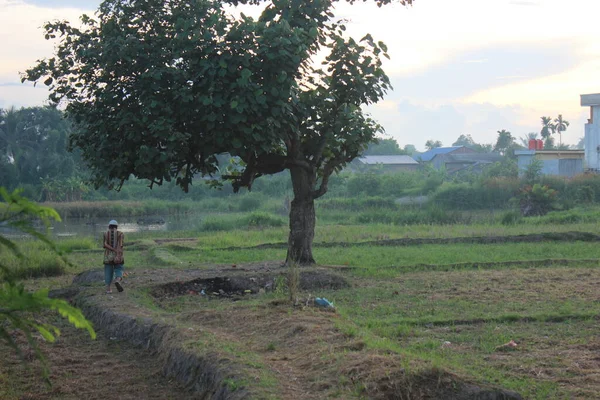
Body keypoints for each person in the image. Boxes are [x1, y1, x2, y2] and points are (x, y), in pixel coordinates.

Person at [103, 219, 125, 294]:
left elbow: (105, 245)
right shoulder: (120, 234)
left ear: (109, 226)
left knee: (108, 270)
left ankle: (108, 289)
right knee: (119, 268)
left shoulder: (105, 233)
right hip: (118, 254)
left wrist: (112, 249)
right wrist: (117, 254)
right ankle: (117, 280)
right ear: (117, 226)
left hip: (107, 255)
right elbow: (120, 245)